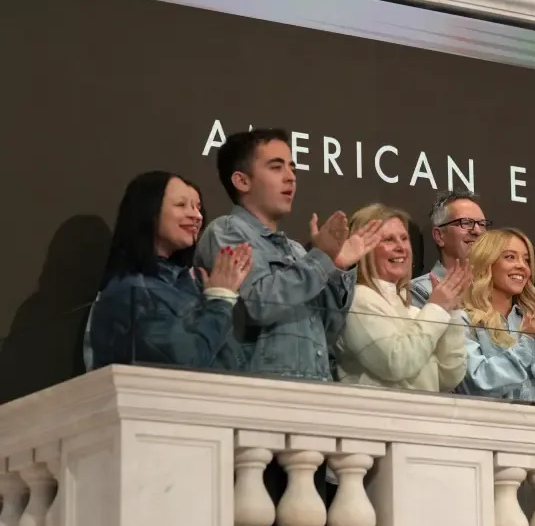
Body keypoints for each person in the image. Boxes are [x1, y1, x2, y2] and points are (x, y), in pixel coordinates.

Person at [195, 128, 383, 381]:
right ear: (242, 181)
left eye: (292, 168)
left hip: (314, 387)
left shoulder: (296, 250)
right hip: (259, 389)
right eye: (276, 167)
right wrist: (321, 257)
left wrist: (336, 265)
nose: (291, 177)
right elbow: (259, 304)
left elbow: (328, 329)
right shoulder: (227, 231)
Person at [89, 171, 250, 370]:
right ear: (148, 210)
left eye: (197, 207)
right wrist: (220, 300)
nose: (197, 216)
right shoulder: (131, 290)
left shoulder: (190, 283)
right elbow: (184, 362)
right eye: (181, 205)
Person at [334, 204, 468, 392]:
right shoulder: (358, 299)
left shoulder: (413, 311)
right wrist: (437, 308)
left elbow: (448, 378)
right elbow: (395, 364)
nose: (401, 247)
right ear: (363, 248)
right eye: (388, 239)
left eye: (404, 238)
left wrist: (451, 312)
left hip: (425, 410)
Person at [457, 228, 535, 400]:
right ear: (485, 262)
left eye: (526, 260)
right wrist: (528, 343)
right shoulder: (462, 319)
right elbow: (478, 385)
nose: (522, 266)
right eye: (510, 257)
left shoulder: (533, 320)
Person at [410, 189, 490, 307]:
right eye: (466, 222)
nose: (477, 231)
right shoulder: (419, 291)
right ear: (439, 236)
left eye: (482, 224)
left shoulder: (493, 293)